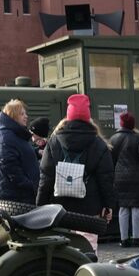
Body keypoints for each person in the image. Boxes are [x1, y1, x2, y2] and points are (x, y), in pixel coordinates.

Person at [37, 94, 115, 226]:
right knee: (87, 245)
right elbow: (106, 180)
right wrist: (108, 205)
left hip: (59, 210)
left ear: (68, 116)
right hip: (90, 210)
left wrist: (40, 205)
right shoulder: (99, 144)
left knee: (63, 245)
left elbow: (46, 177)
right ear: (88, 116)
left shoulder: (54, 142)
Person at [0, 99, 40, 208]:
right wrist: (28, 184)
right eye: (22, 114)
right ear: (13, 116)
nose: (26, 116)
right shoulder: (7, 136)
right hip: (17, 197)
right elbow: (8, 165)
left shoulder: (13, 134)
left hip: (20, 194)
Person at [109, 112, 139, 246]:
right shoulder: (137, 139)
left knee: (123, 208)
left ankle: (123, 239)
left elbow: (110, 160)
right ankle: (136, 238)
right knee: (137, 208)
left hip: (119, 178)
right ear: (132, 124)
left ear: (121, 124)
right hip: (137, 178)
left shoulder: (113, 139)